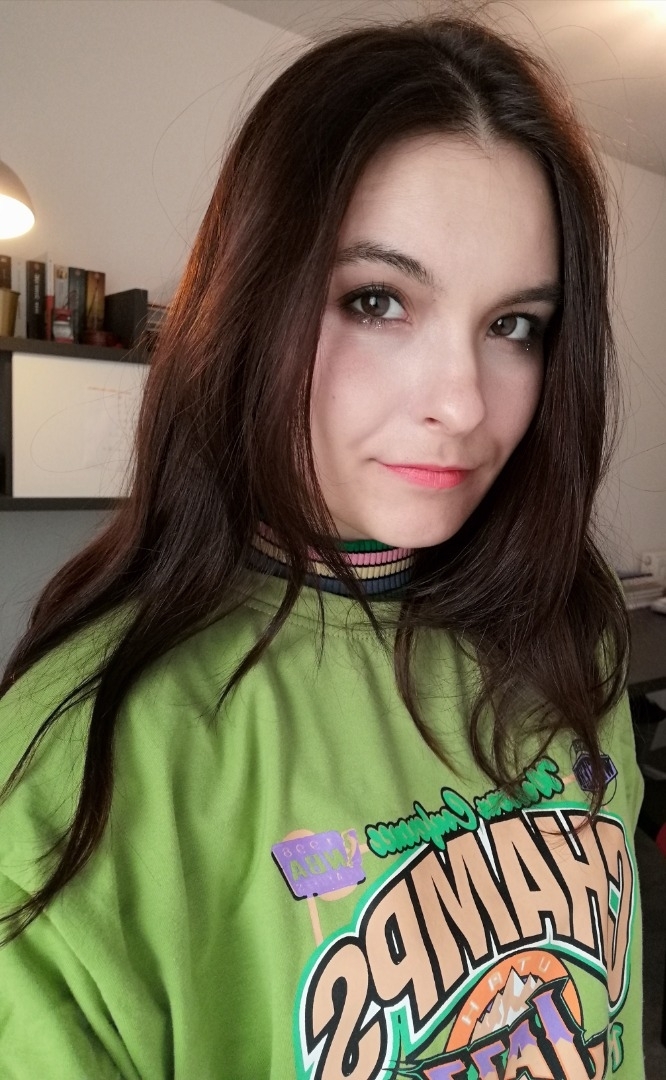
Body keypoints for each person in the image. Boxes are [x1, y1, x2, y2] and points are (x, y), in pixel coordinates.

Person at [0, 15, 644, 1080]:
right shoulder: (76, 772)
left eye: (514, 325)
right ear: (252, 305)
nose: (461, 403)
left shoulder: (570, 627)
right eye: (377, 301)